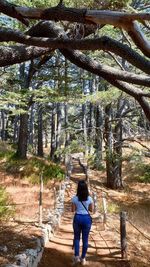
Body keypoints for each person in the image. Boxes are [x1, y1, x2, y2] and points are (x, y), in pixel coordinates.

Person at [71, 180, 93, 265]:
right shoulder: (89, 198)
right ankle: (83, 258)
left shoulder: (74, 198)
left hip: (77, 218)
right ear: (86, 188)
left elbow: (72, 210)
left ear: (78, 188)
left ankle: (76, 256)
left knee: (76, 237)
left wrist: (78, 207)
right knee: (85, 239)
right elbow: (91, 210)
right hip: (86, 219)